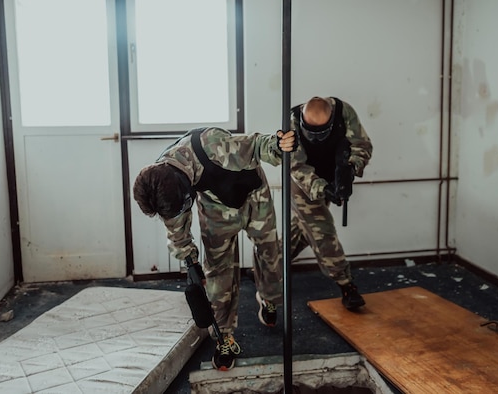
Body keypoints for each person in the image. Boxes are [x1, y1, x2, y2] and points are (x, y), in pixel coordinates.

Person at [133, 127, 295, 371]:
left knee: (269, 251)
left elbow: (258, 145)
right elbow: (177, 228)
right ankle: (224, 337)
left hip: (254, 197)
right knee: (217, 273)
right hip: (215, 209)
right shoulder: (160, 185)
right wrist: (189, 259)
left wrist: (279, 144)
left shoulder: (213, 146)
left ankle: (268, 297)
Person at [289, 96, 373, 310]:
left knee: (303, 229)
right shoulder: (290, 119)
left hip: (332, 174)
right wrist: (322, 188)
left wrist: (349, 169)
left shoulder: (345, 112)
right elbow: (295, 164)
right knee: (321, 229)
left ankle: (269, 265)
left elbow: (361, 144)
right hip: (303, 182)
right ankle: (346, 284)